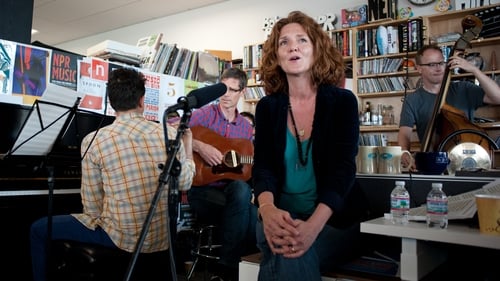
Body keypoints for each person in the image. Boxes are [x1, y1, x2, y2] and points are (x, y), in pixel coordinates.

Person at [30, 68, 195, 281]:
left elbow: (92, 207)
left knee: (38, 229)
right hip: (162, 240)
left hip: (121, 239)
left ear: (110, 102)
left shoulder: (94, 140)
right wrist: (188, 148)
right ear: (142, 100)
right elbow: (185, 183)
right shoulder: (170, 134)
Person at [252, 11, 368, 281]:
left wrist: (313, 227)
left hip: (334, 221)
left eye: (302, 40)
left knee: (287, 252)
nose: (293, 46)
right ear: (276, 56)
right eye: (284, 42)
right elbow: (264, 167)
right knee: (287, 244)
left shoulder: (342, 101)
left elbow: (343, 170)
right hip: (279, 216)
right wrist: (267, 210)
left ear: (316, 50)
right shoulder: (268, 108)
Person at [187, 67, 257, 280]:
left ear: (242, 92)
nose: (226, 95)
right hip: (201, 189)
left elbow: (246, 166)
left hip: (231, 193)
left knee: (243, 193)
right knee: (246, 206)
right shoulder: (203, 114)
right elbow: (174, 131)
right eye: (222, 89)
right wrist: (200, 147)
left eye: (232, 90)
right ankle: (237, 268)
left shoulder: (245, 128)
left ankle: (229, 269)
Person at [398, 44, 500, 169]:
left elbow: (498, 98)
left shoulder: (463, 89)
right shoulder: (412, 100)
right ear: (419, 69)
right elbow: (404, 134)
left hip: (468, 163)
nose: (439, 68)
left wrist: (474, 70)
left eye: (441, 63)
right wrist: (404, 153)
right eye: (432, 64)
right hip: (433, 163)